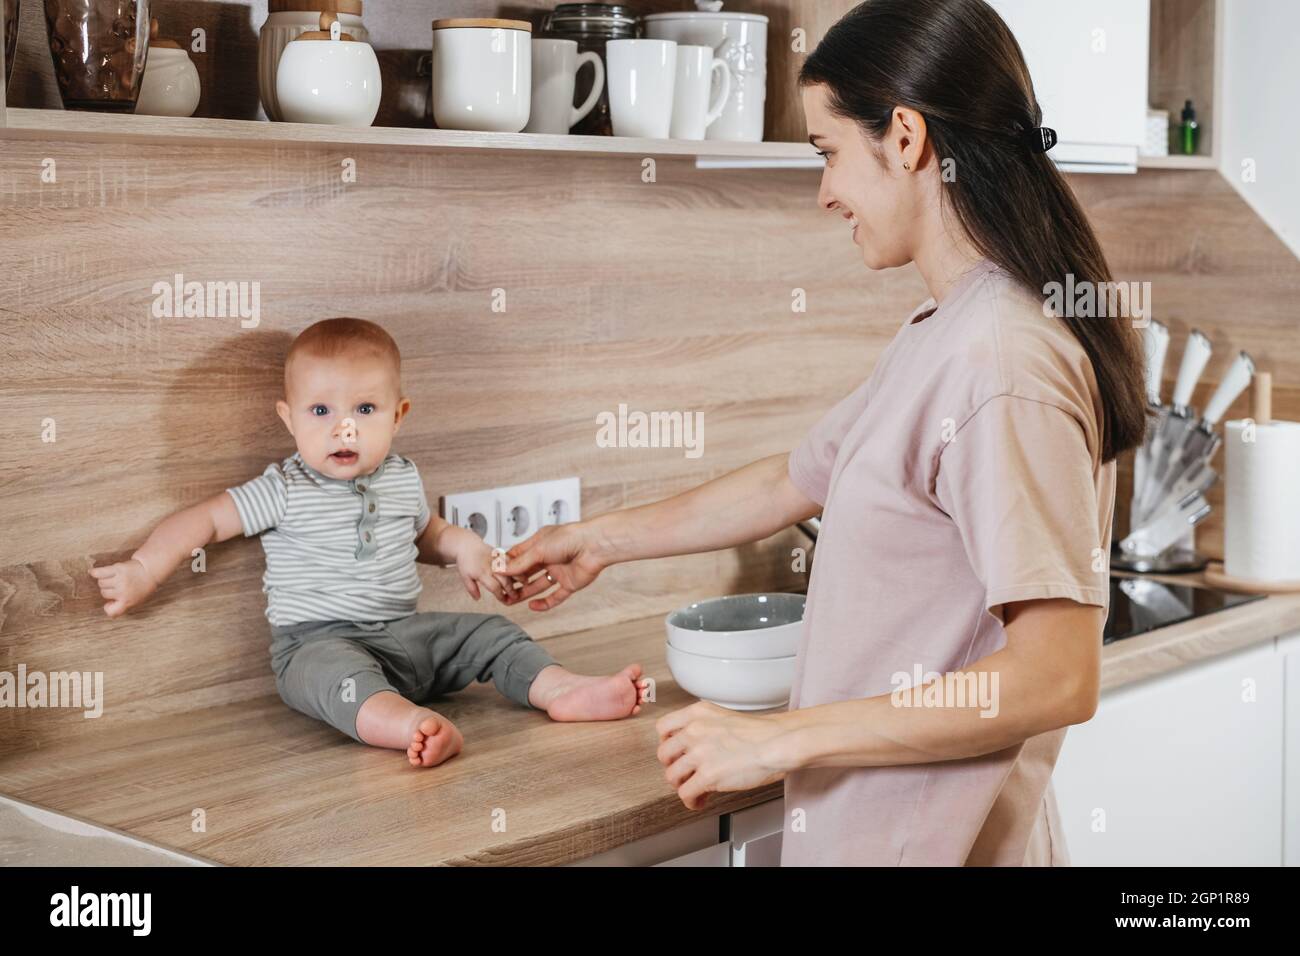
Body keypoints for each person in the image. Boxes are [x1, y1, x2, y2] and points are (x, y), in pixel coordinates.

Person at [502, 0, 1148, 865]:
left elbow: (1058, 673)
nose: (825, 192)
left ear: (907, 139)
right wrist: (595, 541)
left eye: (829, 152)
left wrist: (778, 739)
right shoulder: (948, 328)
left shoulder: (1001, 364)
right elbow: (789, 482)